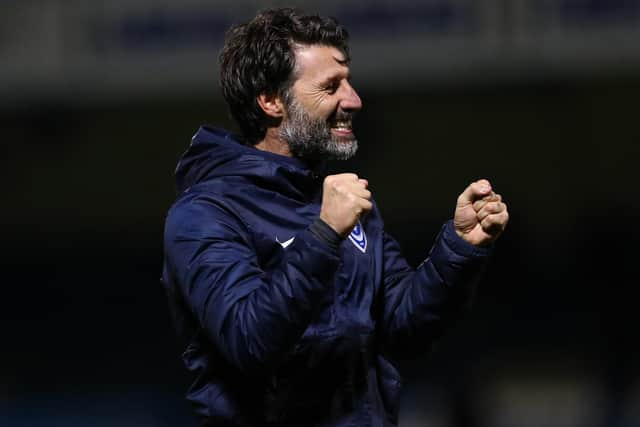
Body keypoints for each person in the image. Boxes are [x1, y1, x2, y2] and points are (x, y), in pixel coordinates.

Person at [162, 8, 509, 427]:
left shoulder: (342, 199)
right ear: (271, 101)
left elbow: (402, 327)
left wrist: (457, 248)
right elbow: (250, 341)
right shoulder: (204, 214)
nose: (354, 99)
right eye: (331, 87)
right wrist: (323, 234)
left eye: (347, 81)